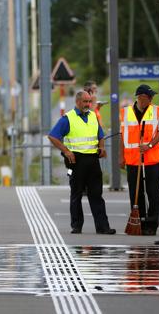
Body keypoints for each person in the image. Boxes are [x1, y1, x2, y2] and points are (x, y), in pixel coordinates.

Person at [48, 90, 116, 235]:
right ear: (77, 102)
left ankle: (103, 227)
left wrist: (102, 147)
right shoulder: (68, 118)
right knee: (76, 194)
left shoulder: (92, 116)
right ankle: (77, 226)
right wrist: (66, 151)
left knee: (96, 194)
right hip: (76, 161)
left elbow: (100, 135)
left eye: (89, 101)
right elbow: (53, 136)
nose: (88, 104)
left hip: (93, 160)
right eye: (85, 101)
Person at [119, 84, 159, 235]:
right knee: (136, 193)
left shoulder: (156, 111)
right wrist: (121, 157)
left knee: (153, 193)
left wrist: (149, 145)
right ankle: (139, 221)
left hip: (152, 159)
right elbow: (122, 136)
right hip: (133, 159)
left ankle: (151, 225)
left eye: (151, 96)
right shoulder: (125, 113)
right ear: (140, 98)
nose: (151, 99)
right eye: (149, 96)